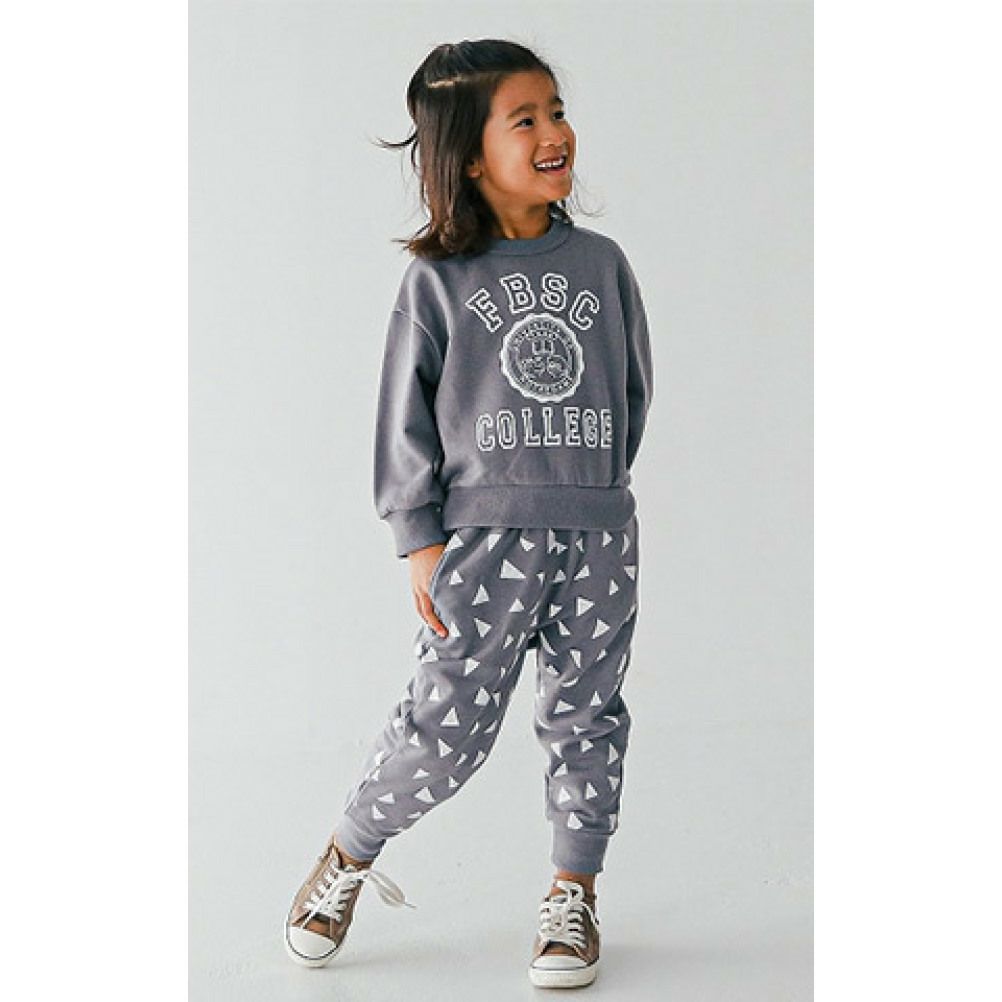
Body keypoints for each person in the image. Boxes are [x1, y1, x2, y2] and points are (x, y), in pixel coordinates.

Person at [284, 38, 654, 990]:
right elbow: (401, 414)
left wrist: (594, 489)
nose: (554, 132)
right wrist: (419, 535)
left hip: (597, 532)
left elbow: (631, 391)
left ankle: (573, 894)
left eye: (556, 111)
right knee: (445, 728)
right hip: (483, 542)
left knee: (587, 715)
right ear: (470, 156)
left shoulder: (603, 264)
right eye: (524, 119)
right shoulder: (439, 281)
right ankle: (349, 850)